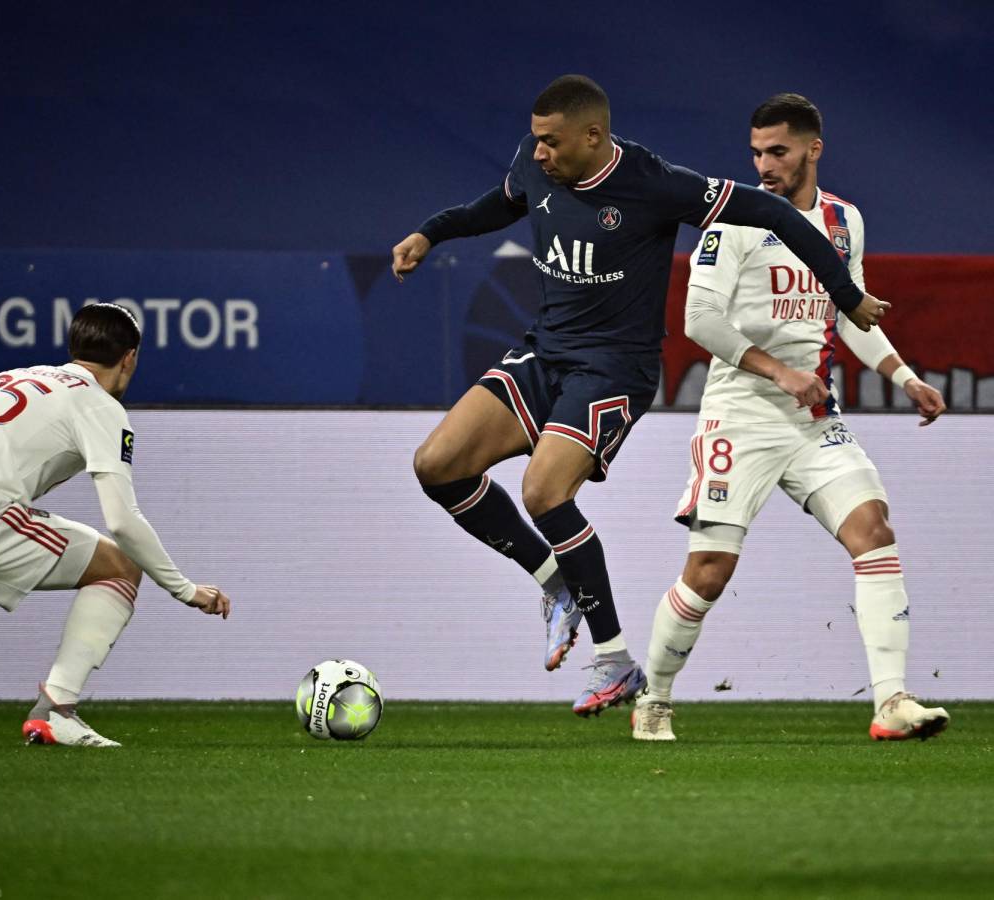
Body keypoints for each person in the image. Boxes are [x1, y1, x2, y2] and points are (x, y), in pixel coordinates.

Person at [392, 75, 889, 718]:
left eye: (552, 142)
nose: (538, 153)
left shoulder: (653, 184)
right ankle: (557, 587)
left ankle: (615, 660)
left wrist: (847, 297)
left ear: (593, 136)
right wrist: (432, 233)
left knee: (544, 491)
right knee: (437, 466)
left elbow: (767, 211)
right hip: (545, 351)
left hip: (614, 369)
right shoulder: (535, 161)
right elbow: (500, 203)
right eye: (536, 141)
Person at [630, 93, 948, 742]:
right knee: (708, 573)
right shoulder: (734, 222)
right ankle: (652, 698)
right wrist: (778, 372)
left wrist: (905, 378)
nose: (764, 164)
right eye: (755, 152)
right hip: (738, 417)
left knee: (873, 531)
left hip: (810, 420)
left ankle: (890, 701)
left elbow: (850, 314)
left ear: (812, 149)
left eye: (777, 151)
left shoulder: (843, 221)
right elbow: (699, 321)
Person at [0, 303, 230, 747]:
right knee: (120, 565)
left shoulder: (12, 376)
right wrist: (185, 589)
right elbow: (121, 521)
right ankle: (57, 709)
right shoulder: (100, 405)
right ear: (130, 357)